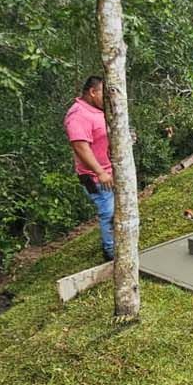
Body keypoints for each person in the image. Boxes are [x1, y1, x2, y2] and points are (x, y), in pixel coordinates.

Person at [65, 75, 115, 261]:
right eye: (104, 93)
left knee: (118, 209)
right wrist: (100, 172)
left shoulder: (99, 111)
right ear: (93, 92)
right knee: (108, 211)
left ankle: (120, 244)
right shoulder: (78, 115)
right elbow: (80, 146)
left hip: (112, 172)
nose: (108, 98)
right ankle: (111, 253)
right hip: (95, 177)